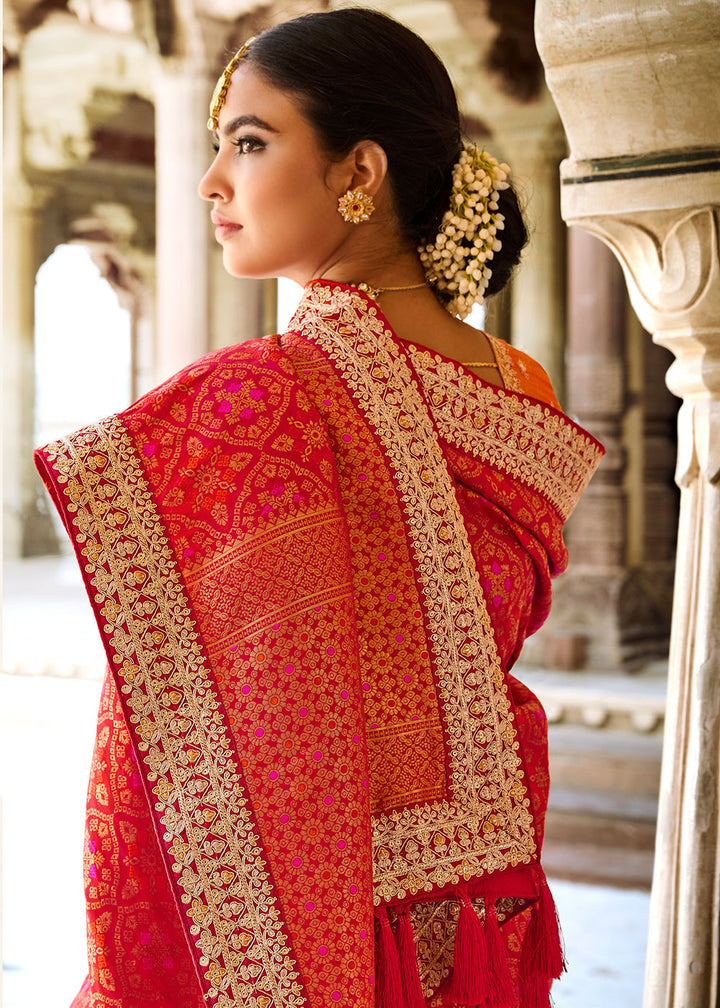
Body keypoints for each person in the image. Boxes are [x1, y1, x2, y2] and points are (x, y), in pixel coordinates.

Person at [35, 9, 604, 1008]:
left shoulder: (252, 404)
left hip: (308, 929)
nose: (212, 181)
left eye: (250, 142)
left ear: (359, 172)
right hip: (476, 916)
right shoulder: (520, 387)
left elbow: (164, 729)